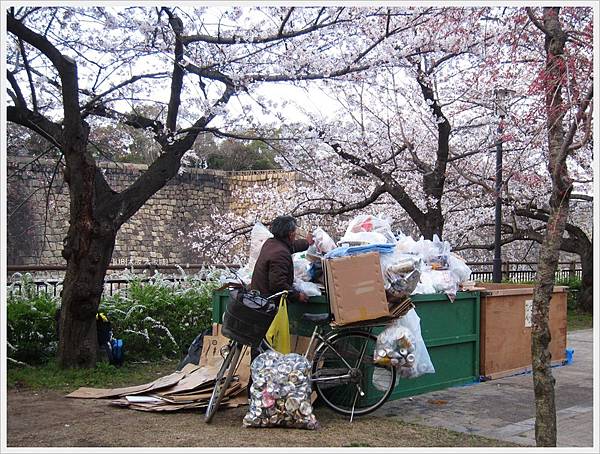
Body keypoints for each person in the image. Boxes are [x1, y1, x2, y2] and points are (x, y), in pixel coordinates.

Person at [250, 215, 313, 303]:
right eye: (295, 231)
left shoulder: (271, 243)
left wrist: (306, 243)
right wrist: (297, 296)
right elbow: (278, 285)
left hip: (260, 296)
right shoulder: (280, 254)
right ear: (290, 234)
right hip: (268, 303)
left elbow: (290, 246)